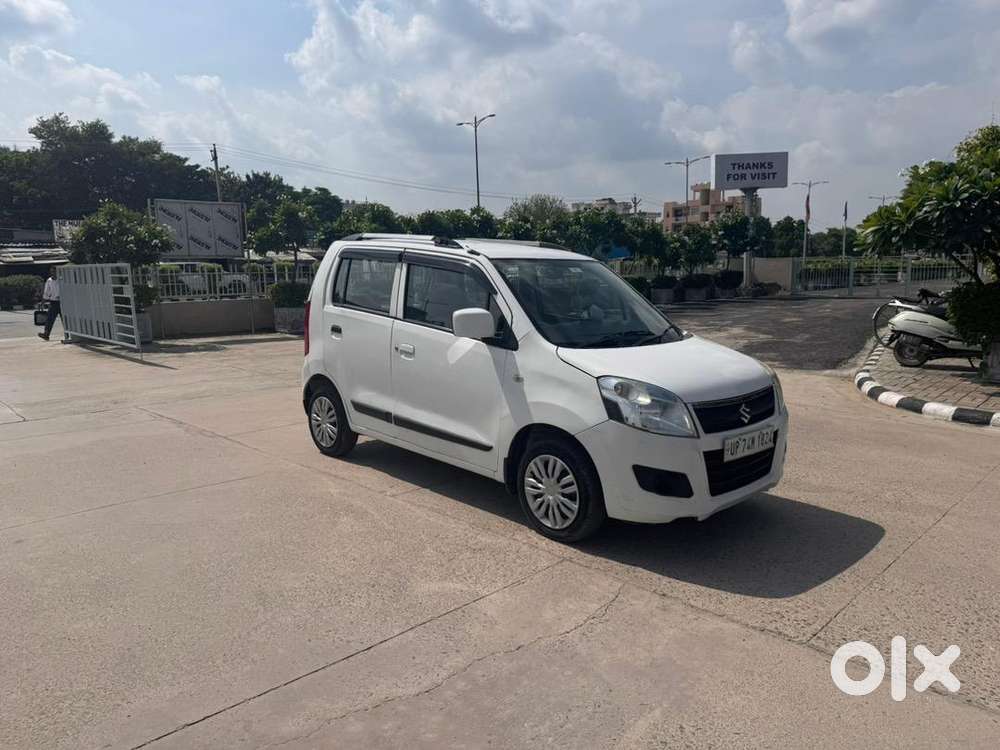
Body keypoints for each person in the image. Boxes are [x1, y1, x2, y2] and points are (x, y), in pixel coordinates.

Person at [38, 267, 62, 341]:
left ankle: (69, 334)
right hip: (53, 302)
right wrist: (42, 303)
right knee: (49, 319)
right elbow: (46, 293)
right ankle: (46, 334)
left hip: (62, 302)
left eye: (54, 272)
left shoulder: (61, 279)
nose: (53, 273)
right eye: (51, 272)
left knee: (65, 319)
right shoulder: (49, 281)